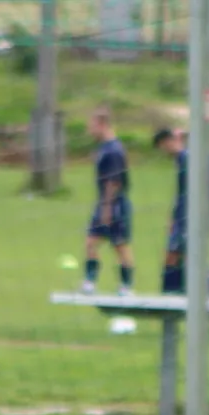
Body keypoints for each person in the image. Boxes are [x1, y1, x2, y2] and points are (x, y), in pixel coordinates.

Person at [151, 126, 209, 295]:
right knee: (180, 255)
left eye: (163, 146)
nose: (164, 151)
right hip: (186, 216)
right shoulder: (190, 158)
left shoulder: (190, 157)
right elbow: (183, 192)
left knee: (184, 256)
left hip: (192, 218)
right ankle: (174, 292)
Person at [80, 107, 134, 296]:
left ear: (102, 125)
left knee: (120, 245)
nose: (89, 130)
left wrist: (107, 207)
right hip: (104, 202)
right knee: (91, 242)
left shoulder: (114, 150)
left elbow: (114, 181)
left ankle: (126, 286)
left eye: (92, 126)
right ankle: (89, 282)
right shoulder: (104, 148)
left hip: (114, 203)